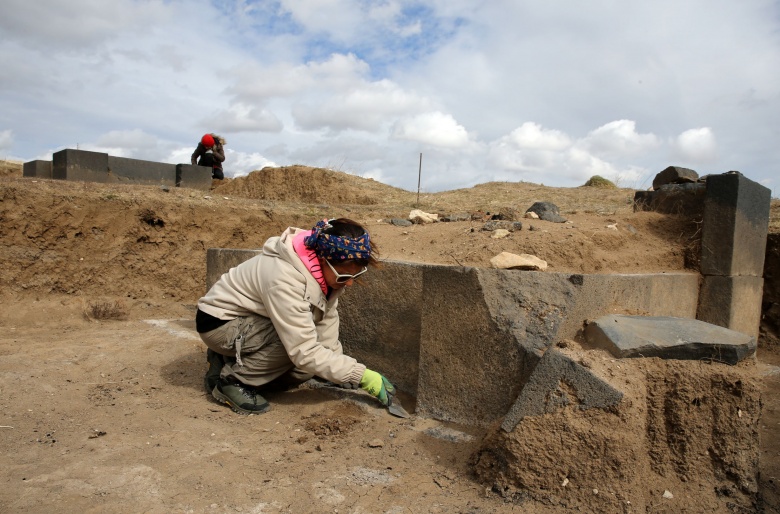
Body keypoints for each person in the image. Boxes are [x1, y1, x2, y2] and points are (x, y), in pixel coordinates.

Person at [195, 218, 397, 415]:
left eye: (355, 276)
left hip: (252, 323)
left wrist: (339, 368)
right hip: (221, 324)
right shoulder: (284, 277)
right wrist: (361, 375)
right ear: (323, 259)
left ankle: (225, 360)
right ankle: (233, 381)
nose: (350, 283)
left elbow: (326, 317)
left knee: (306, 370)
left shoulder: (322, 272)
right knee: (294, 348)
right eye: (344, 276)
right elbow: (304, 350)